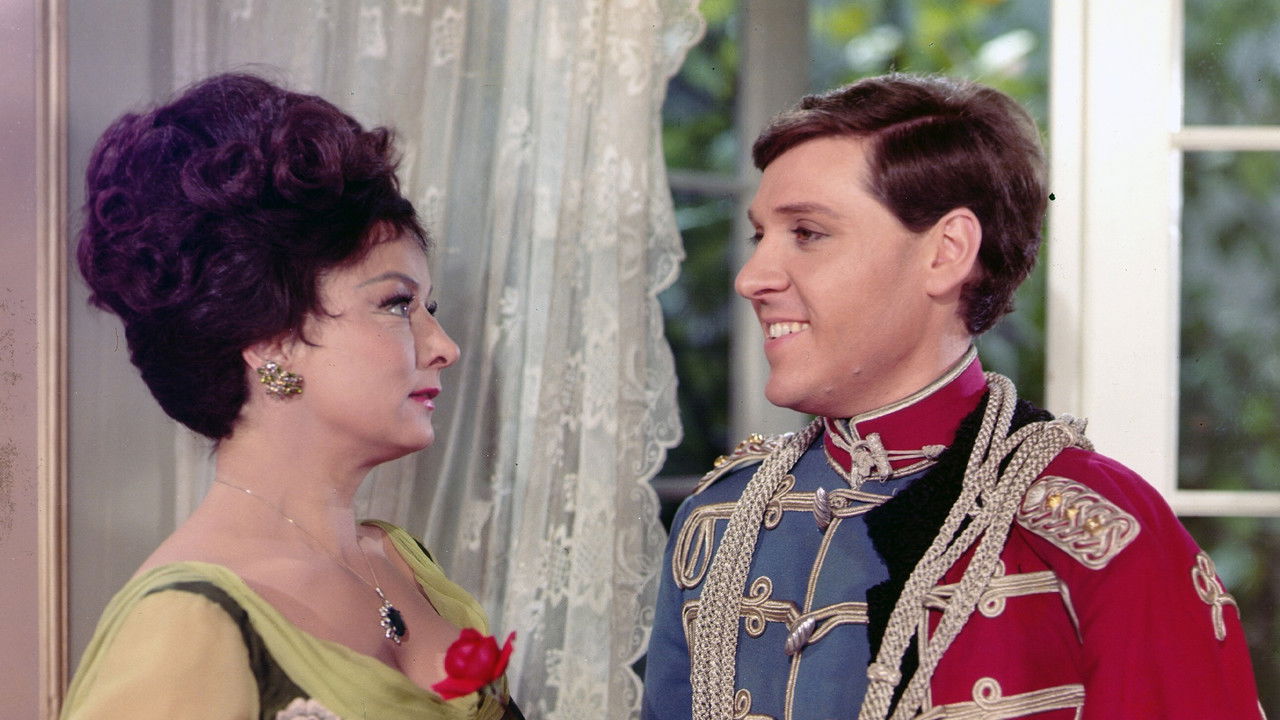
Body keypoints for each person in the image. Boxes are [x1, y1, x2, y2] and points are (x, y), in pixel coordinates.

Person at [642, 74, 1263, 720]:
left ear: (947, 252)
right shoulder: (719, 522)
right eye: (759, 237)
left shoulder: (1102, 536)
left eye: (807, 233)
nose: (752, 278)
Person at [64, 74, 522, 720]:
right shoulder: (185, 626)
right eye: (398, 304)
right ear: (268, 338)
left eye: (431, 309)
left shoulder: (401, 560)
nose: (444, 346)